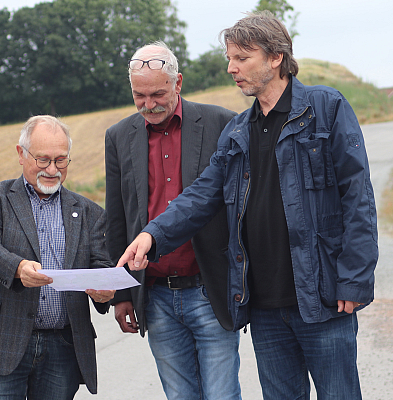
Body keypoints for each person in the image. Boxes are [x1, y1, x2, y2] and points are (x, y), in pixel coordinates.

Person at [118, 12, 378, 400]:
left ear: (275, 57)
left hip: (322, 299)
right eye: (229, 58)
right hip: (264, 307)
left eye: (242, 57)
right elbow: (201, 195)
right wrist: (152, 236)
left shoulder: (325, 108)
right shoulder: (238, 131)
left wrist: (354, 280)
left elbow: (358, 198)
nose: (231, 68)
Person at [104, 42, 241, 399]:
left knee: (222, 394)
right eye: (140, 95)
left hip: (209, 289)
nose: (149, 104)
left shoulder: (221, 124)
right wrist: (122, 293)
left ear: (178, 82)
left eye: (158, 93)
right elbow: (118, 216)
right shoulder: (118, 136)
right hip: (156, 295)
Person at [0, 115, 115, 400]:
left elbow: (100, 264)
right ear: (21, 154)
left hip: (63, 346)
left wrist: (103, 290)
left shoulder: (90, 212)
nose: (52, 169)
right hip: (2, 341)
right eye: (43, 160)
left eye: (61, 160)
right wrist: (16, 268)